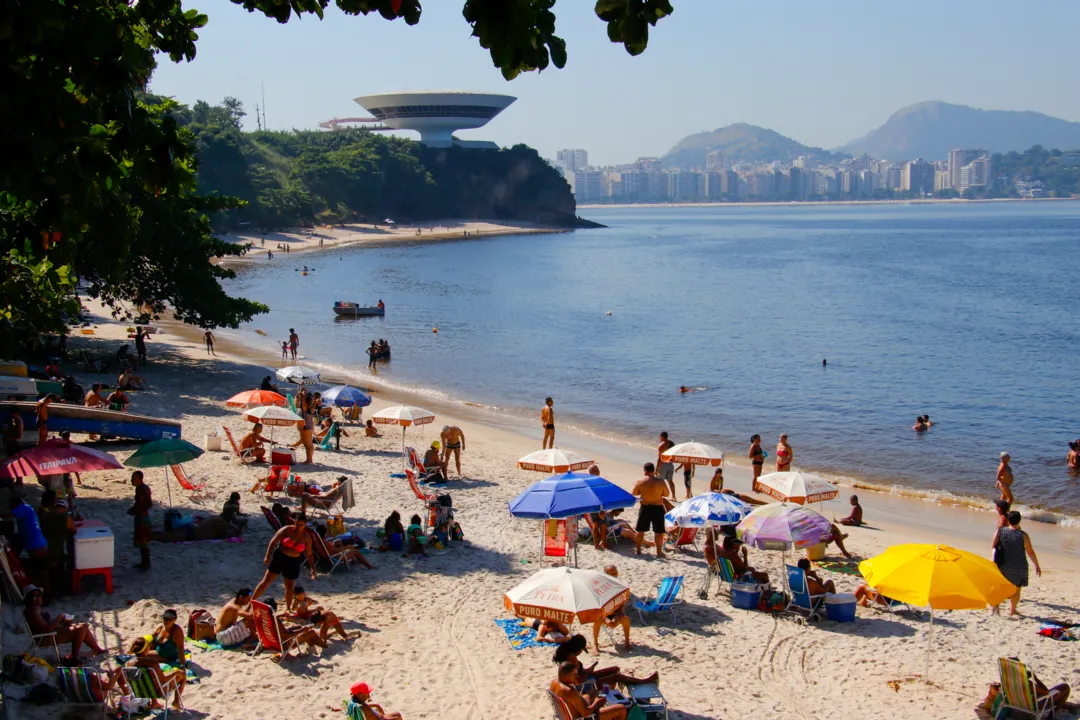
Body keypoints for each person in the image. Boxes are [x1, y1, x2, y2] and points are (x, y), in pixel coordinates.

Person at [251, 514, 317, 611]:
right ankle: (251, 603)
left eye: (301, 524)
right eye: (297, 523)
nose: (298, 526)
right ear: (294, 521)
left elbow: (309, 554)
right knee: (266, 581)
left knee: (289, 587)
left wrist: (312, 568)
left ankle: (288, 608)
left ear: (305, 525)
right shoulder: (287, 530)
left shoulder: (306, 538)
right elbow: (273, 541)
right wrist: (267, 555)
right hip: (280, 557)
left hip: (293, 561)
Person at [23, 585, 105, 657]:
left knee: (84, 626)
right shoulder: (33, 611)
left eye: (39, 595)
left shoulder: (36, 609)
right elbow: (46, 629)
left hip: (50, 634)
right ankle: (74, 657)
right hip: (45, 638)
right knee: (80, 629)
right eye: (34, 597)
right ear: (28, 600)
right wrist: (60, 617)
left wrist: (62, 621)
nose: (38, 599)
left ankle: (97, 649)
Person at [551, 634, 657, 689]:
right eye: (581, 650)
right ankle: (644, 682)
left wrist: (588, 670)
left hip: (585, 679)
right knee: (617, 676)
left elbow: (577, 674)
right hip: (583, 687)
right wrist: (589, 671)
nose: (581, 652)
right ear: (577, 648)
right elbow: (578, 680)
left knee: (615, 669)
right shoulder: (571, 658)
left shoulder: (568, 653)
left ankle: (616, 690)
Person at [992, 511, 1041, 616]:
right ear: (1019, 521)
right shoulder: (1023, 535)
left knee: (1001, 586)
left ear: (1008, 520)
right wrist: (1036, 565)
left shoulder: (1000, 531)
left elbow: (993, 546)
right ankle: (1012, 610)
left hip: (1003, 563)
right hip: (1019, 565)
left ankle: (996, 606)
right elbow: (1030, 552)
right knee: (1016, 588)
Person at [123, 635, 186, 711]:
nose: (150, 646)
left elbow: (132, 680)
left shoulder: (129, 664)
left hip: (139, 692)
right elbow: (164, 679)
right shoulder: (152, 663)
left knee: (148, 681)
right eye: (148, 645)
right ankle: (176, 701)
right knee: (182, 675)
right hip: (158, 692)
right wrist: (176, 672)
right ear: (146, 650)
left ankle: (154, 703)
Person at [549, 661, 627, 720]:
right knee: (621, 708)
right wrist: (596, 703)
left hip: (572, 712)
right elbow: (585, 713)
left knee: (594, 692)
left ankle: (604, 710)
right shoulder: (569, 691)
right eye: (574, 674)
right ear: (566, 677)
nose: (577, 676)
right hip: (584, 717)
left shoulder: (554, 683)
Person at [9, 496, 51, 597]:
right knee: (39, 572)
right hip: (37, 545)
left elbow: (10, 515)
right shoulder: (27, 511)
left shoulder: (25, 507)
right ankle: (44, 595)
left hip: (37, 547)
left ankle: (48, 596)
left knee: (42, 573)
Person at [289, 586, 358, 642]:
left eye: (302, 596)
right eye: (299, 596)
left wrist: (311, 602)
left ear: (304, 593)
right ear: (295, 596)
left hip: (320, 617)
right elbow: (293, 609)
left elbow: (315, 602)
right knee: (344, 635)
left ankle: (336, 632)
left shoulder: (306, 599)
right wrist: (297, 606)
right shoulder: (297, 601)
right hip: (329, 618)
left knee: (323, 635)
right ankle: (342, 632)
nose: (301, 597)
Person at [632, 462, 670, 557]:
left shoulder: (640, 481)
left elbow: (634, 492)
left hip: (645, 508)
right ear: (654, 471)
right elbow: (667, 494)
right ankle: (659, 552)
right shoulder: (660, 482)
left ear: (645, 471)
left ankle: (638, 550)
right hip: (657, 508)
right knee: (658, 532)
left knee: (640, 531)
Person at [591, 565, 631, 653]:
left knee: (626, 620)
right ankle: (595, 644)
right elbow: (597, 608)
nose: (612, 575)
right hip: (603, 615)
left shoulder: (620, 586)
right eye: (609, 573)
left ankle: (627, 641)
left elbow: (622, 605)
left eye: (614, 572)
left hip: (616, 614)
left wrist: (616, 615)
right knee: (596, 620)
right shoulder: (599, 587)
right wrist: (606, 619)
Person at [150, 516, 243, 542]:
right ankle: (149, 535)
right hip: (193, 533)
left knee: (167, 534)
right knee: (167, 537)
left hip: (192, 526)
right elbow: (222, 536)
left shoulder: (216, 518)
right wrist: (235, 532)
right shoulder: (223, 526)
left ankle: (149, 534)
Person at [129, 471, 152, 570]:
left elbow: (143, 504)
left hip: (142, 517)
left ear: (138, 478)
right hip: (142, 516)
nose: (131, 481)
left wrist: (134, 510)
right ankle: (144, 563)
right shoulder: (142, 488)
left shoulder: (142, 489)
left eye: (133, 478)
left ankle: (146, 564)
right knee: (142, 542)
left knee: (143, 542)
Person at [655, 431, 676, 497]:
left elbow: (659, 458)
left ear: (661, 437)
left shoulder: (661, 445)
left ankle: (659, 495)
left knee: (660, 481)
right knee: (670, 481)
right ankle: (674, 496)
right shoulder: (672, 443)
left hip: (663, 464)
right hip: (670, 464)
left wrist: (656, 469)